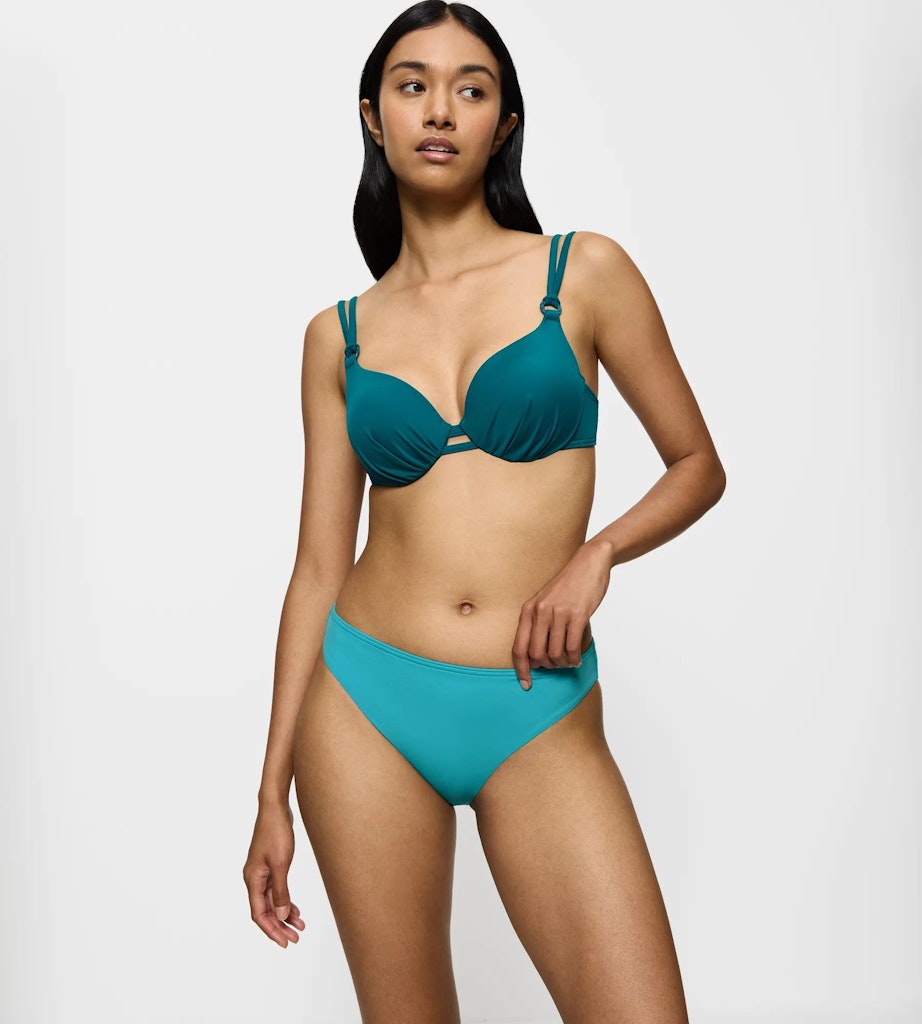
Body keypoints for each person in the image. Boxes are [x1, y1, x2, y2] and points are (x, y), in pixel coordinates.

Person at [243, 2, 726, 1020]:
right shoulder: (338, 337)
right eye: (412, 85)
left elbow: (696, 465)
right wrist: (270, 790)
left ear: (503, 123)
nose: (439, 110)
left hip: (535, 700)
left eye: (471, 89)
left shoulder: (581, 271)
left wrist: (598, 553)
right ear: (372, 115)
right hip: (364, 704)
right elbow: (318, 568)